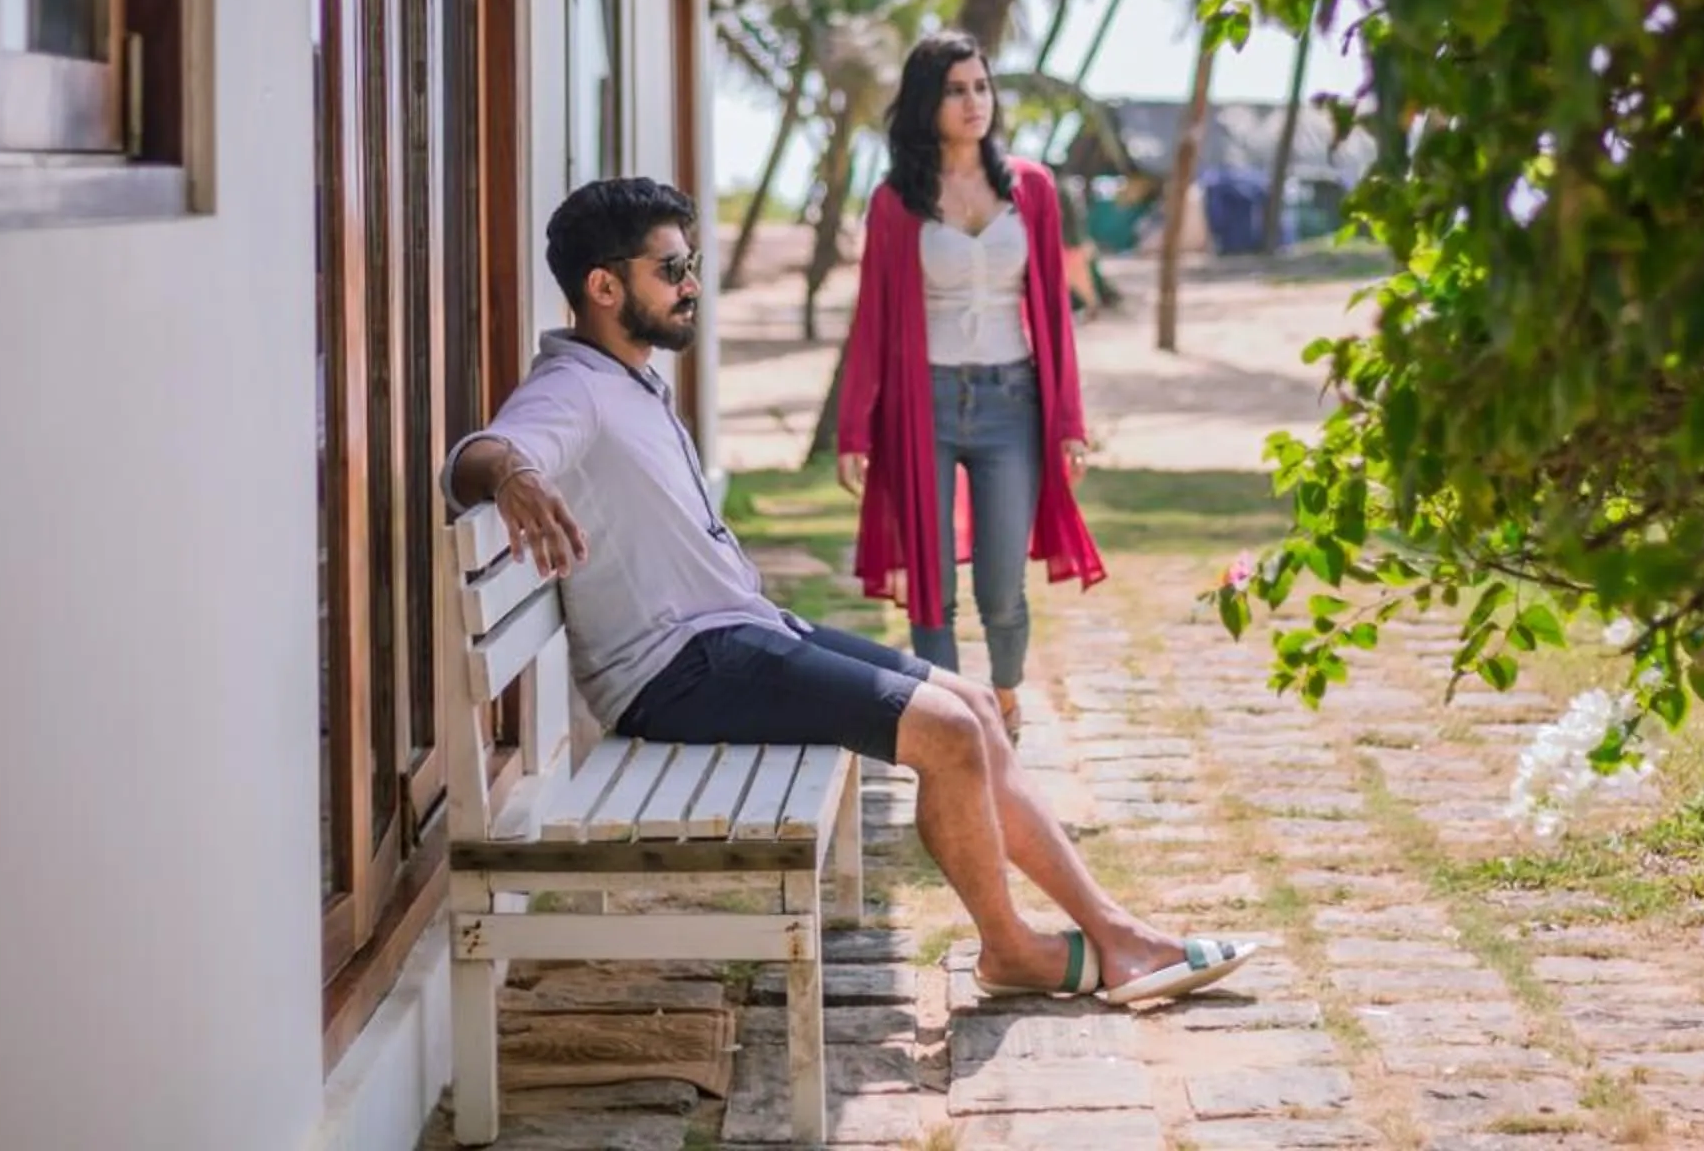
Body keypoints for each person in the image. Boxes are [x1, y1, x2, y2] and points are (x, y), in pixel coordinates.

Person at [447, 177, 1257, 1008]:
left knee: (975, 705)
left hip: (737, 635)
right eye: (672, 268)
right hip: (678, 674)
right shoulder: (573, 387)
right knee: (945, 733)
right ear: (604, 286)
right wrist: (511, 474)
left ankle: (1112, 929)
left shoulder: (631, 377)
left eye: (692, 264)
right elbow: (490, 448)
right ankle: (1012, 948)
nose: (691, 284)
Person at [836, 33, 1105, 741]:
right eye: (956, 90)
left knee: (1001, 589)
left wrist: (1070, 422)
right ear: (929, 103)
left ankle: (1006, 701)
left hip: (1012, 403)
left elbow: (1053, 310)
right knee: (931, 590)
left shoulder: (1033, 189)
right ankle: (958, 725)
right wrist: (854, 431)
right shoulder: (897, 202)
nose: (973, 102)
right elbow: (871, 321)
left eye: (981, 87)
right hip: (922, 405)